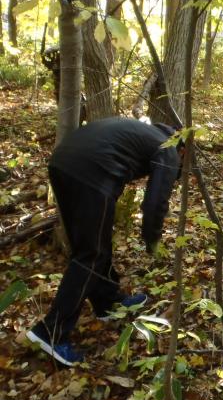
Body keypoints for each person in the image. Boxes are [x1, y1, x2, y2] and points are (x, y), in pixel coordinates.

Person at [27, 118, 183, 366]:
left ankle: (107, 300)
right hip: (93, 173)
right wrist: (152, 240)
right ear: (182, 144)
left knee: (91, 244)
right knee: (92, 255)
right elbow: (155, 203)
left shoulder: (145, 131)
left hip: (62, 162)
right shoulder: (169, 148)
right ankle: (51, 331)